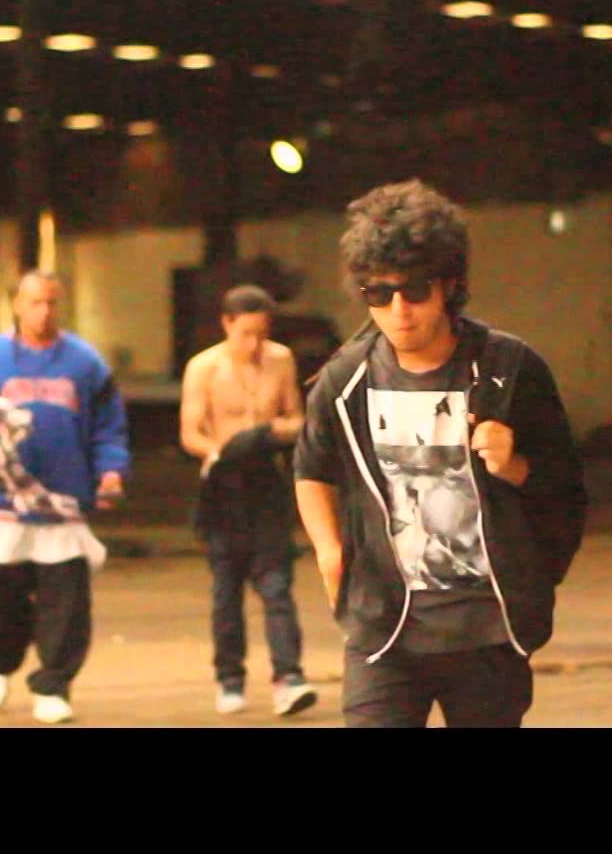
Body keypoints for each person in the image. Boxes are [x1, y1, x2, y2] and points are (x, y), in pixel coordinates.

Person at [292, 179, 588, 727]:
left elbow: (567, 485)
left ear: (448, 285)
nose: (398, 310)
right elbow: (311, 467)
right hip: (385, 628)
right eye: (379, 295)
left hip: (488, 631)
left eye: (415, 291)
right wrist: (330, 553)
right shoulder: (345, 380)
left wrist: (513, 466)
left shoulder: (509, 369)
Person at [0, 269, 130, 724]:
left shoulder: (85, 363)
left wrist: (111, 473)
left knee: (66, 607)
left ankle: (53, 685)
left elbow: (109, 428)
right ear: (17, 305)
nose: (44, 312)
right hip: (2, 504)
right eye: (35, 302)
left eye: (51, 303)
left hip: (63, 506)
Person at [180, 285, 318, 718]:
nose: (254, 344)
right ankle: (230, 677)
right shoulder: (204, 367)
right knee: (226, 590)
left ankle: (289, 676)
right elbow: (190, 432)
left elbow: (296, 417)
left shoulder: (280, 359)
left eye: (261, 333)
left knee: (277, 586)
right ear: (227, 325)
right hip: (223, 483)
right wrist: (220, 452)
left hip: (265, 480)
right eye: (245, 333)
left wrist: (271, 433)